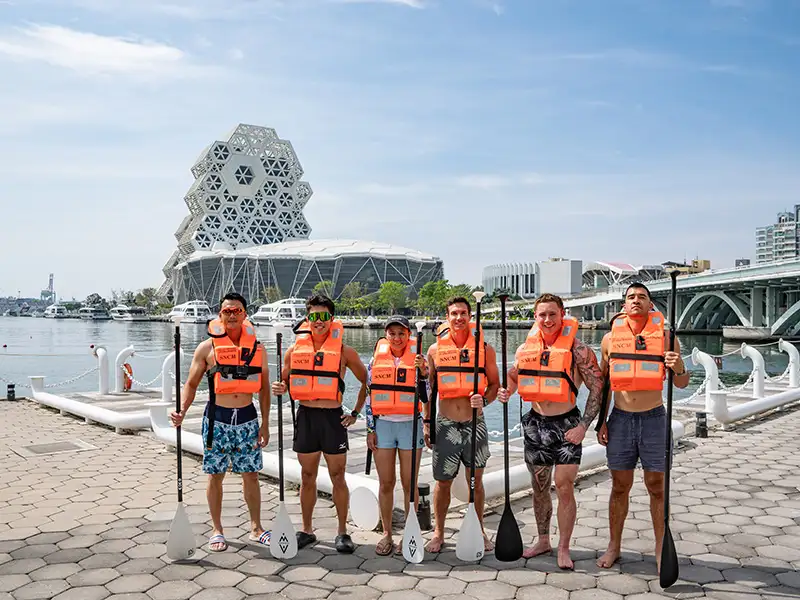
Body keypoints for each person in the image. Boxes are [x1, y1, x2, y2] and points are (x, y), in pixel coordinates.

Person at [498, 293, 605, 569]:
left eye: (552, 314)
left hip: (567, 425)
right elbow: (513, 375)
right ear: (536, 317)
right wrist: (507, 390)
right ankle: (543, 540)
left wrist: (584, 426)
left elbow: (597, 386)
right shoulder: (525, 349)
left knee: (564, 485)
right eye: (542, 315)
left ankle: (564, 547)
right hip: (536, 425)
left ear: (562, 314)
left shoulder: (578, 350)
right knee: (539, 488)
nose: (547, 320)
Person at [595, 282, 690, 572]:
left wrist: (678, 366)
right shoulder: (610, 340)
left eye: (642, 297)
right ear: (623, 306)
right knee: (619, 487)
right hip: (621, 420)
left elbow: (682, 383)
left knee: (657, 487)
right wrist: (601, 422)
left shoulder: (666, 338)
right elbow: (605, 385)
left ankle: (662, 549)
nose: (636, 301)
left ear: (651, 305)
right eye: (631, 297)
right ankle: (614, 546)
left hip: (654, 419)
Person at [170, 292, 271, 553]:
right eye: (227, 311)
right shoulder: (207, 348)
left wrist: (266, 423)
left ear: (245, 315)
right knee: (216, 475)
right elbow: (191, 384)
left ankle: (256, 528)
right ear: (220, 315)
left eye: (237, 311)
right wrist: (181, 410)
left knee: (251, 474)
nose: (232, 315)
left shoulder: (258, 349)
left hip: (247, 418)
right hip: (217, 420)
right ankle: (217, 530)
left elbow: (264, 390)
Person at [271, 294, 368, 554]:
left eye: (324, 316)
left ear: (331, 319)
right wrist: (278, 387)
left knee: (338, 476)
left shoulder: (345, 351)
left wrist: (356, 413)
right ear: (307, 319)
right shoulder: (294, 350)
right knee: (307, 476)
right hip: (306, 417)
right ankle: (307, 530)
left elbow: (366, 382)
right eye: (314, 316)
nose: (319, 321)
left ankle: (342, 532)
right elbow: (282, 382)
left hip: (332, 419)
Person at [422, 296, 500, 554]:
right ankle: (439, 532)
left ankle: (479, 530)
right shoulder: (434, 351)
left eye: (463, 313)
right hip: (445, 424)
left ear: (470, 316)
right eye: (453, 313)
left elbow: (494, 385)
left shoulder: (484, 349)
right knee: (443, 481)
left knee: (476, 480)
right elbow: (429, 391)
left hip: (474, 423)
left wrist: (484, 400)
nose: (458, 318)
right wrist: (426, 423)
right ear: (447, 317)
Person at [365, 316, 428, 556]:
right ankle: (387, 534)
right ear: (386, 335)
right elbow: (370, 396)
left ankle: (410, 532)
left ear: (408, 335)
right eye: (392, 333)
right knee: (386, 482)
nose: (397, 338)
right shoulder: (375, 360)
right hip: (384, 426)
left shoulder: (418, 359)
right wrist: (370, 429)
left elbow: (426, 396)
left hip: (410, 424)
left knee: (408, 482)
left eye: (401, 333)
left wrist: (423, 373)